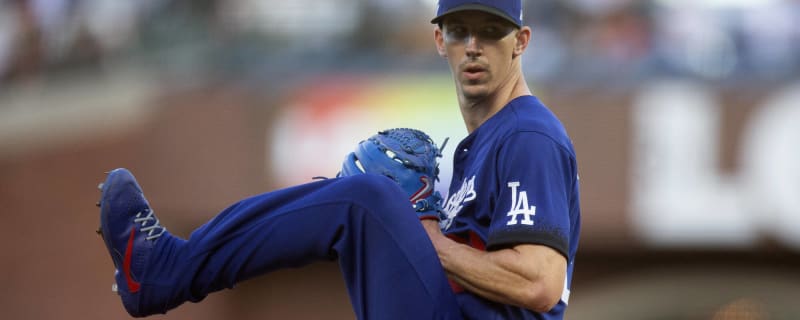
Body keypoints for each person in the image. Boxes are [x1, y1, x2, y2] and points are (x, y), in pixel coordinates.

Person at [95, 1, 580, 319]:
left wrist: (427, 239)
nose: (474, 45)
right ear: (439, 41)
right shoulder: (487, 143)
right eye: (460, 30)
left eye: (492, 30)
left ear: (521, 41)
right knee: (370, 204)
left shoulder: (528, 135)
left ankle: (166, 270)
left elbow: (540, 281)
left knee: (367, 199)